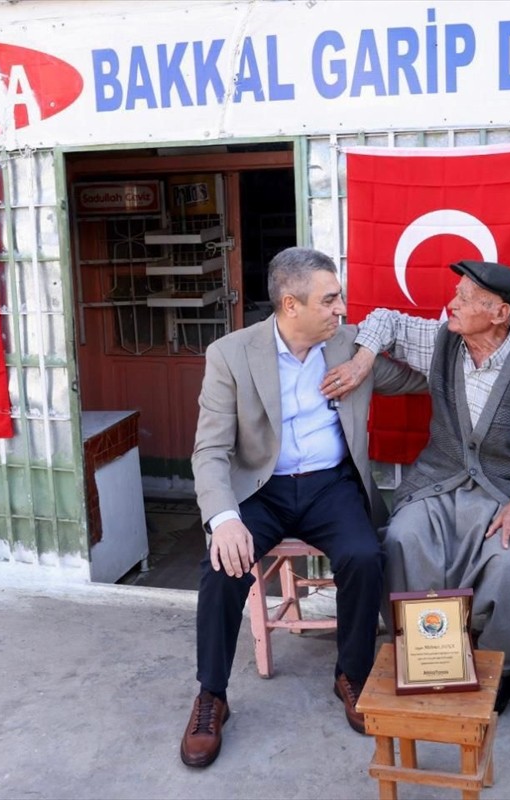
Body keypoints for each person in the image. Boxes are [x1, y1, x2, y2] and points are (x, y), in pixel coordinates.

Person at [180, 247, 427, 769]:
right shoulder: (231, 353)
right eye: (330, 299)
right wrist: (223, 519)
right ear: (291, 305)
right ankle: (211, 696)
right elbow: (210, 450)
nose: (342, 309)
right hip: (261, 489)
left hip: (330, 485)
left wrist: (370, 360)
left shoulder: (347, 346)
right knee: (221, 568)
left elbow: (419, 378)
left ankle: (352, 673)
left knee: (364, 556)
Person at [327, 260, 510, 714]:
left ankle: (502, 666)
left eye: (464, 299)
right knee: (403, 539)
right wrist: (364, 359)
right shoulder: (444, 341)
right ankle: (422, 651)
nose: (451, 304)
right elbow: (384, 318)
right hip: (438, 484)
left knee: (506, 562)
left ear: (499, 313)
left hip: (507, 495)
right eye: (456, 294)